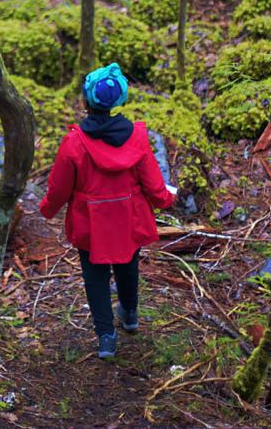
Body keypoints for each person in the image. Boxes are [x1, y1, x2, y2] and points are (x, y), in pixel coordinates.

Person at [39, 62, 177, 359]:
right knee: (128, 266)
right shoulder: (138, 137)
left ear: (86, 102)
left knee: (95, 277)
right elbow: (154, 184)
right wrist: (167, 199)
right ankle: (129, 315)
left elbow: (59, 188)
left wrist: (46, 209)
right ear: (119, 100)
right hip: (129, 219)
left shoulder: (74, 143)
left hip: (90, 222)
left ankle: (106, 337)